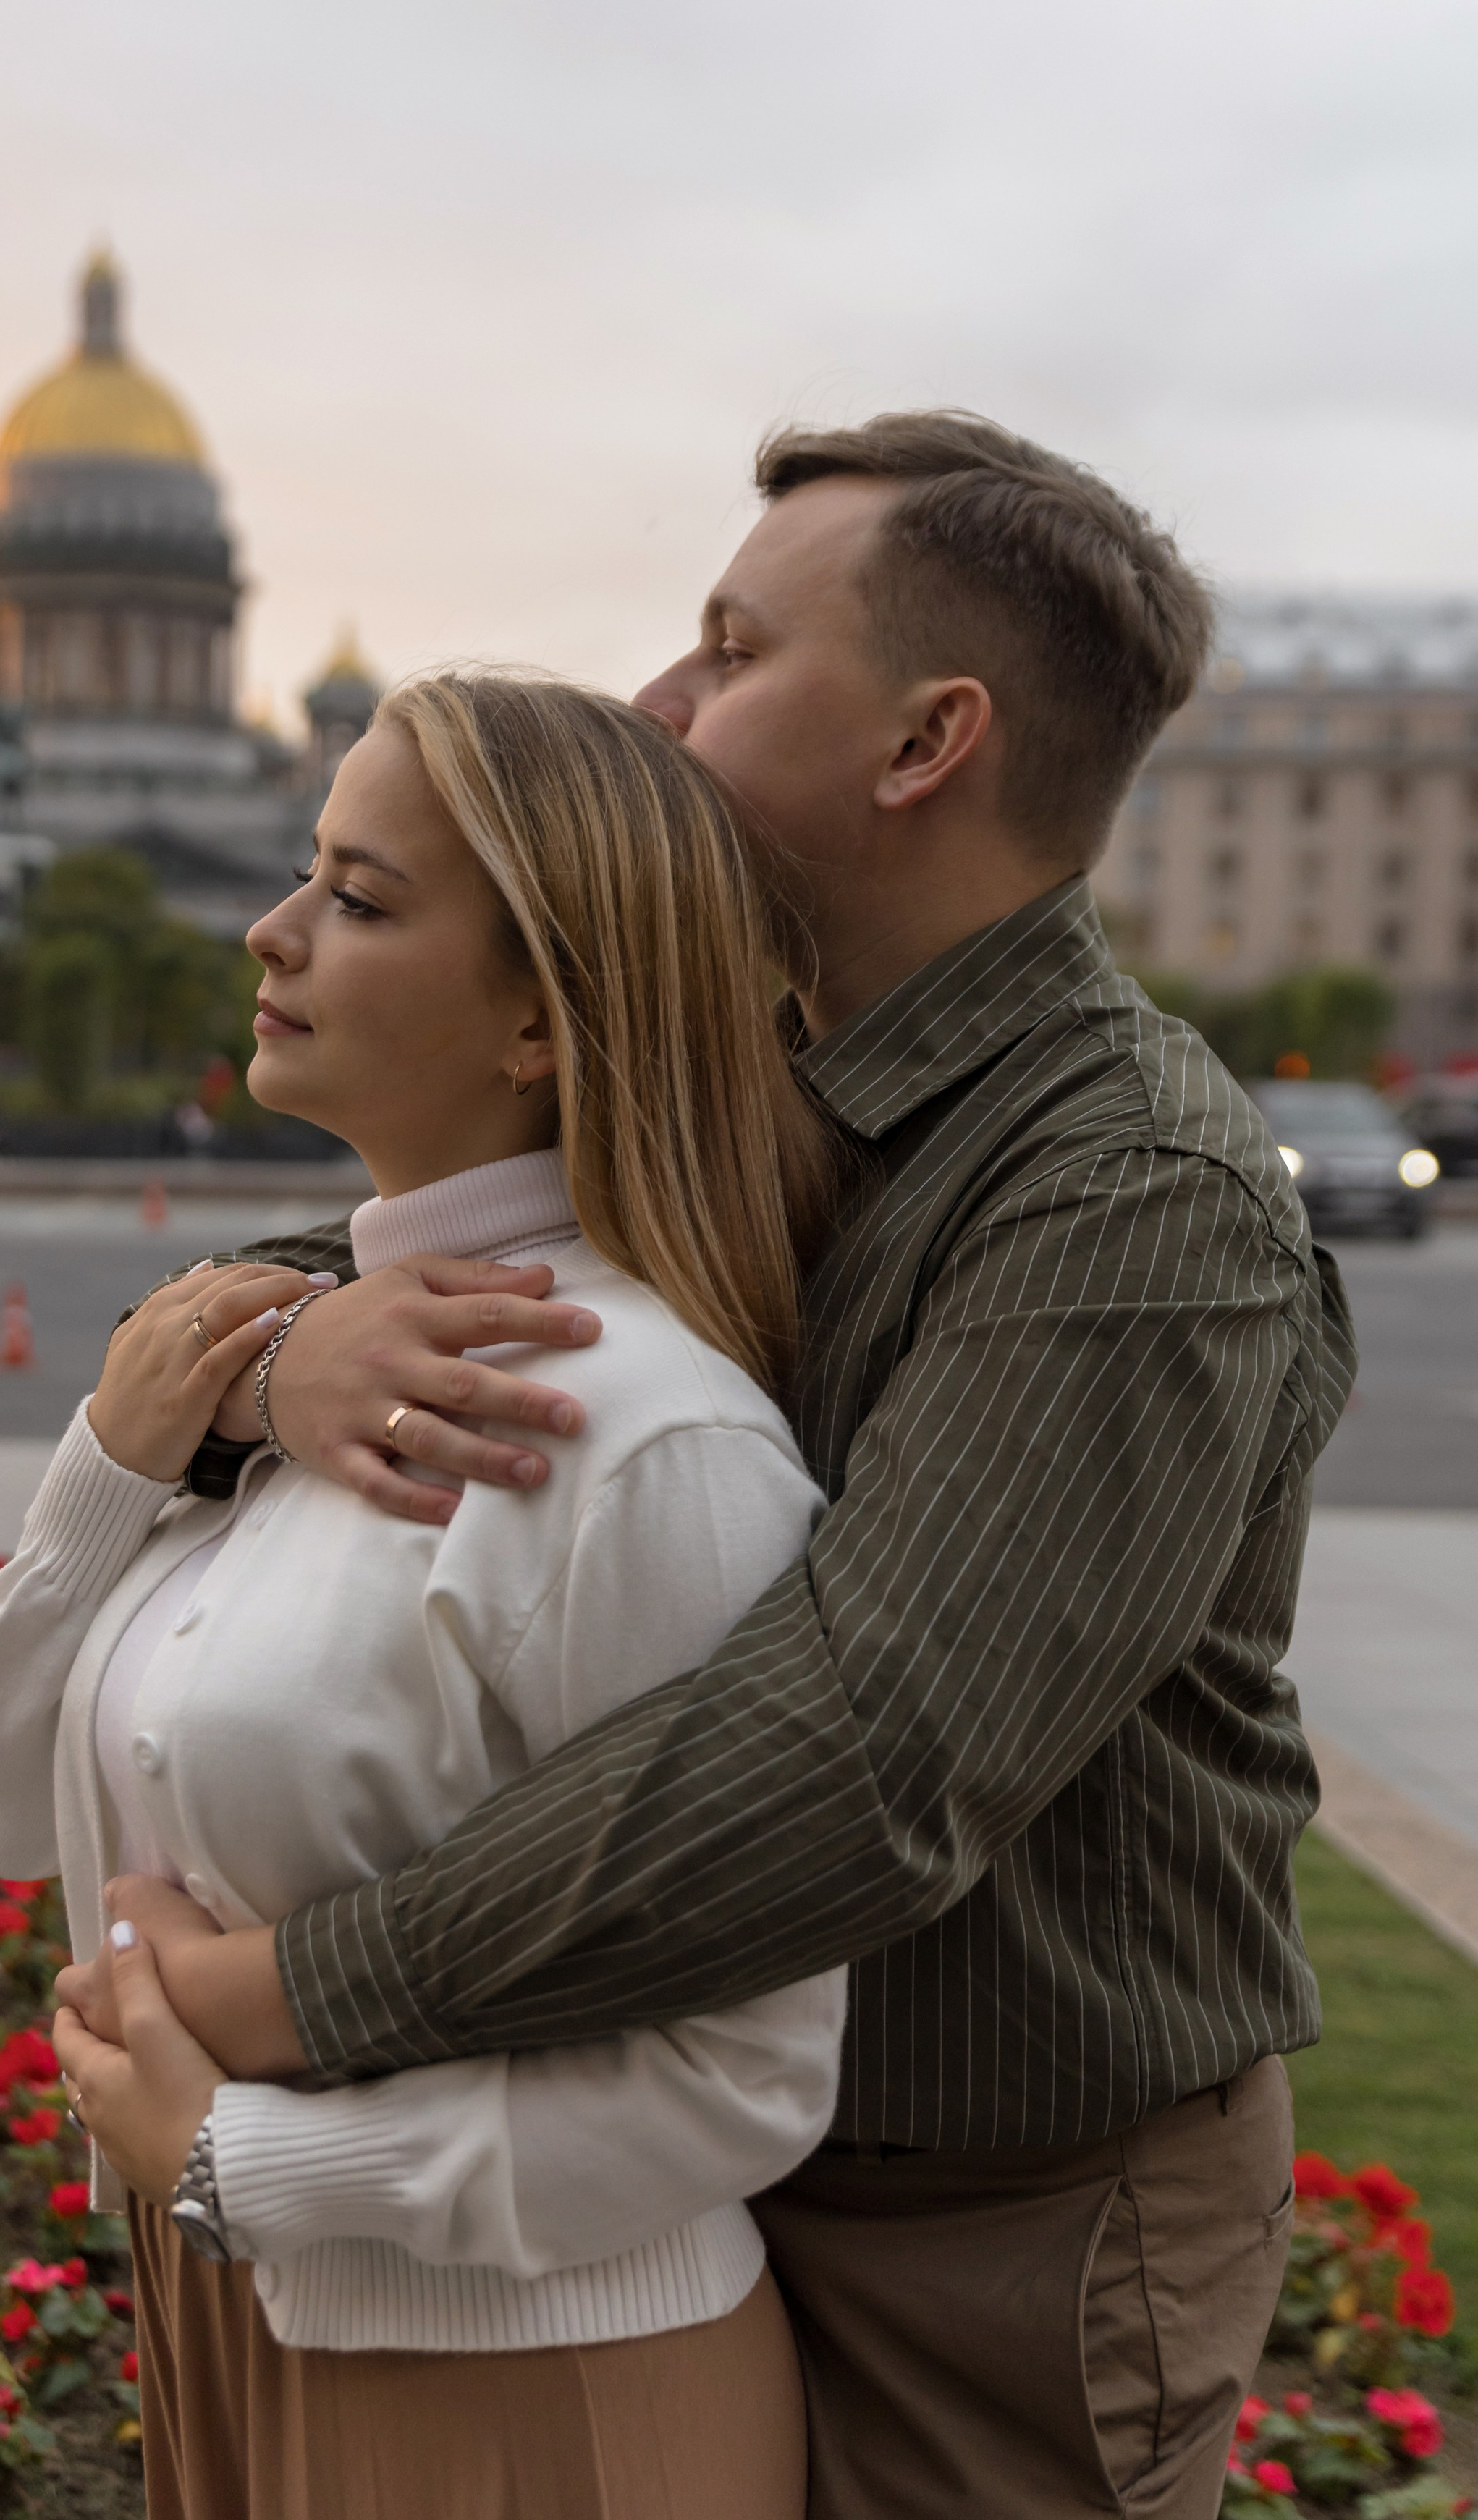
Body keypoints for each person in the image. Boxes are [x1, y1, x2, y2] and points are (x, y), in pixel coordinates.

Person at [83, 413, 1357, 2520]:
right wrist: (277, 1352)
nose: (663, 703)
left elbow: (858, 1755)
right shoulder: (797, 1073)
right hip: (676, 2165)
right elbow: (456, 1243)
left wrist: (290, 1995)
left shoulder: (1131, 1195)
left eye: (732, 646)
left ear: (927, 739)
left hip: (993, 2221)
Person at [0, 668, 854, 2520]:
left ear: (537, 1017)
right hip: (229, 2329)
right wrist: (116, 1454)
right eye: (306, 874)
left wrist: (246, 2166)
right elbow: (2, 1782)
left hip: (540, 2388)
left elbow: (746, 2073)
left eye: (360, 900)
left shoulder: (639, 1434)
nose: (271, 931)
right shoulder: (293, 1368)